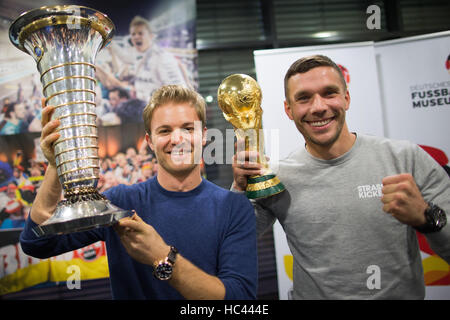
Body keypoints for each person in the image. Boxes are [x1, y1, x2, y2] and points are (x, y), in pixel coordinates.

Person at [232, 54, 450, 299]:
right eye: (304, 98)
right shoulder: (277, 176)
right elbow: (234, 240)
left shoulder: (404, 158)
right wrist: (240, 188)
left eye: (329, 93)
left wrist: (427, 218)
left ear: (346, 98)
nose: (318, 107)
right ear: (288, 110)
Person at [20, 85, 257, 300]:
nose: (177, 139)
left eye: (187, 128)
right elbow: (37, 243)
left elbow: (240, 299)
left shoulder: (233, 206)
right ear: (150, 141)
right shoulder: (121, 202)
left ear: (204, 135)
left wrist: (162, 255)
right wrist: (54, 164)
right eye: (164, 131)